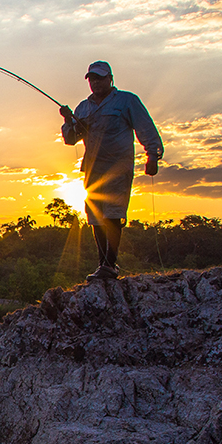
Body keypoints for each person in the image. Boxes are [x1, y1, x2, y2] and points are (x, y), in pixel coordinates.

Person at [60, 61, 163, 280]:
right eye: (92, 79)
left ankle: (110, 263)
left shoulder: (127, 100)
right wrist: (68, 120)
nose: (96, 83)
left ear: (110, 79)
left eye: (100, 78)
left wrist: (152, 155)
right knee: (95, 215)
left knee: (113, 214)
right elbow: (71, 140)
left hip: (119, 166)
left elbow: (146, 128)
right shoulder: (83, 107)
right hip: (93, 169)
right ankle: (103, 264)